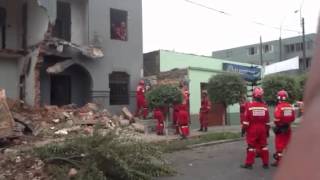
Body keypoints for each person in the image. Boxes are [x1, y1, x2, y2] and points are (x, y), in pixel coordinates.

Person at [241, 87, 270, 169]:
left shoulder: (249, 106)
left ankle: (249, 164)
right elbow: (267, 121)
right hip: (262, 129)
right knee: (263, 146)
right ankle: (265, 164)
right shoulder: (265, 107)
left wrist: (243, 130)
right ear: (261, 96)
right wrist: (267, 131)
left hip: (252, 129)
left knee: (251, 146)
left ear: (253, 96)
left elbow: (246, 121)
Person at [271, 90, 295, 167]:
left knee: (279, 146)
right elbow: (292, 118)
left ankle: (279, 162)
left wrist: (275, 123)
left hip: (280, 129)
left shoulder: (279, 107)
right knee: (288, 144)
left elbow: (277, 118)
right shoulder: (290, 106)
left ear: (278, 98)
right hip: (288, 128)